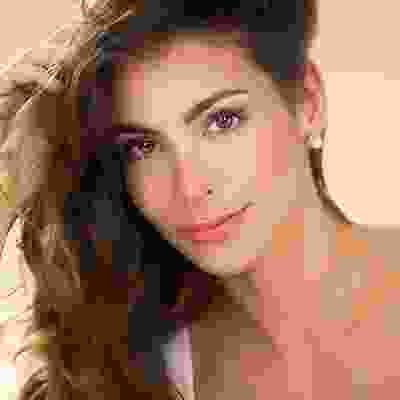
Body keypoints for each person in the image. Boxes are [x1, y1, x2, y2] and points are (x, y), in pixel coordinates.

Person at [1, 1, 400, 399]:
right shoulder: (129, 367)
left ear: (307, 102)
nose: (189, 188)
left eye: (223, 121)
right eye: (143, 145)